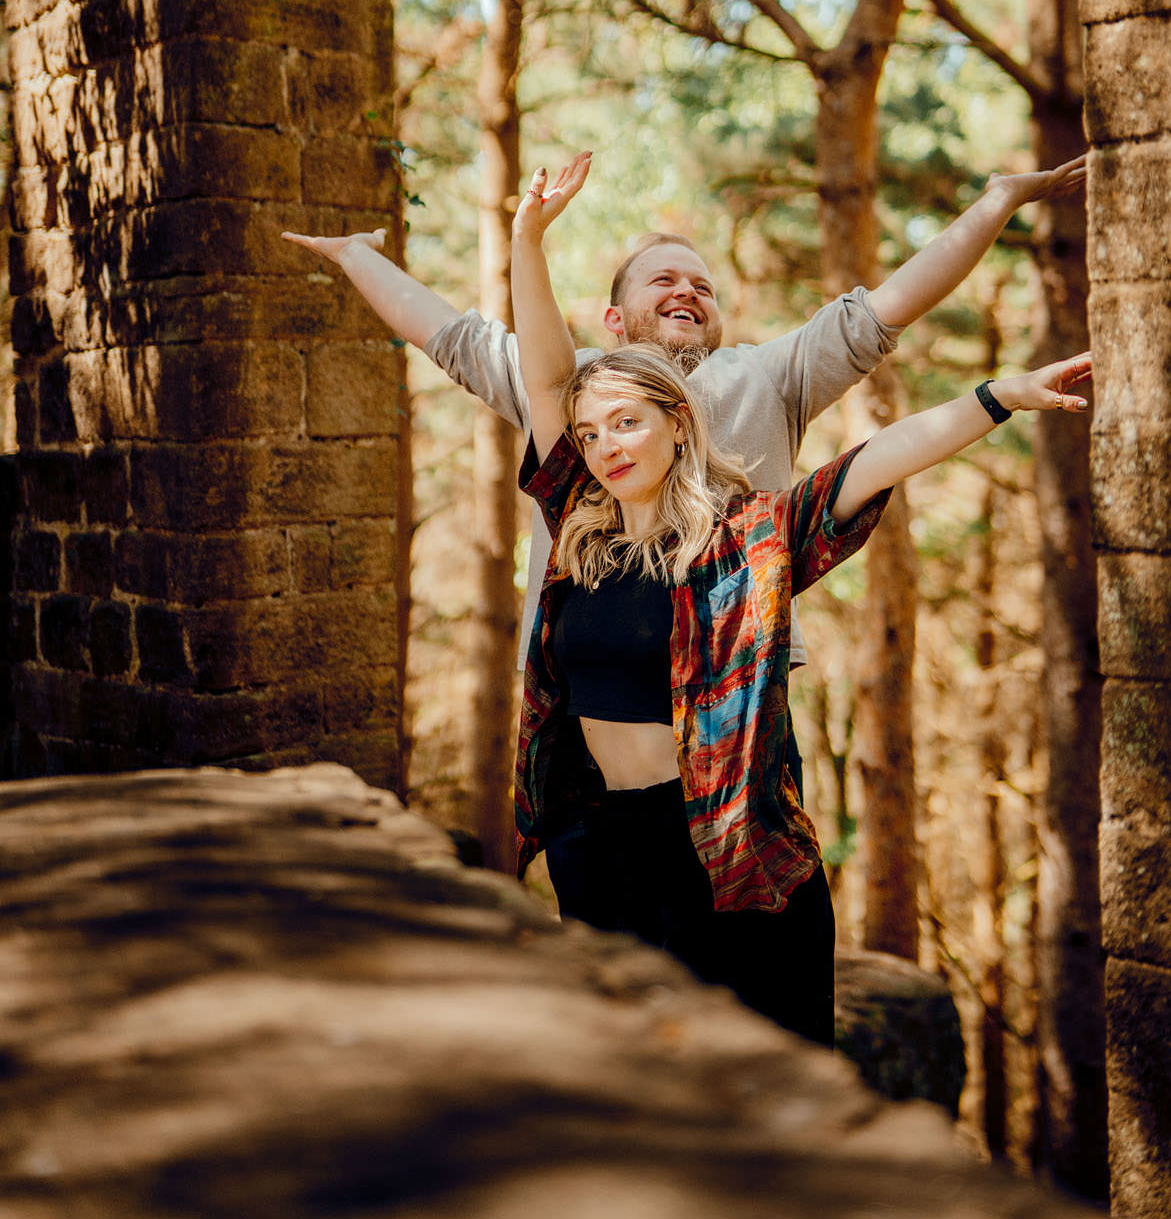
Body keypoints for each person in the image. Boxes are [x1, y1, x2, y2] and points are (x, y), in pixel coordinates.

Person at [508, 153, 1092, 1045]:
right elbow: (548, 378)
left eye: (627, 423)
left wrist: (997, 396)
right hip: (599, 848)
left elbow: (881, 456)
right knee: (636, 1099)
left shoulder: (747, 543)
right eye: (590, 433)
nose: (604, 446)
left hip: (728, 853)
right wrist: (527, 237)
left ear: (679, 424)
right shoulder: (575, 527)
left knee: (763, 1108)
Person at [282, 150, 1087, 677]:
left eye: (701, 284)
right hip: (592, 662)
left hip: (728, 674)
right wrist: (357, 254)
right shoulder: (570, 387)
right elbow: (448, 334)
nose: (686, 292)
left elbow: (895, 304)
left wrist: (996, 203)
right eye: (661, 281)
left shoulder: (768, 376)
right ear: (615, 319)